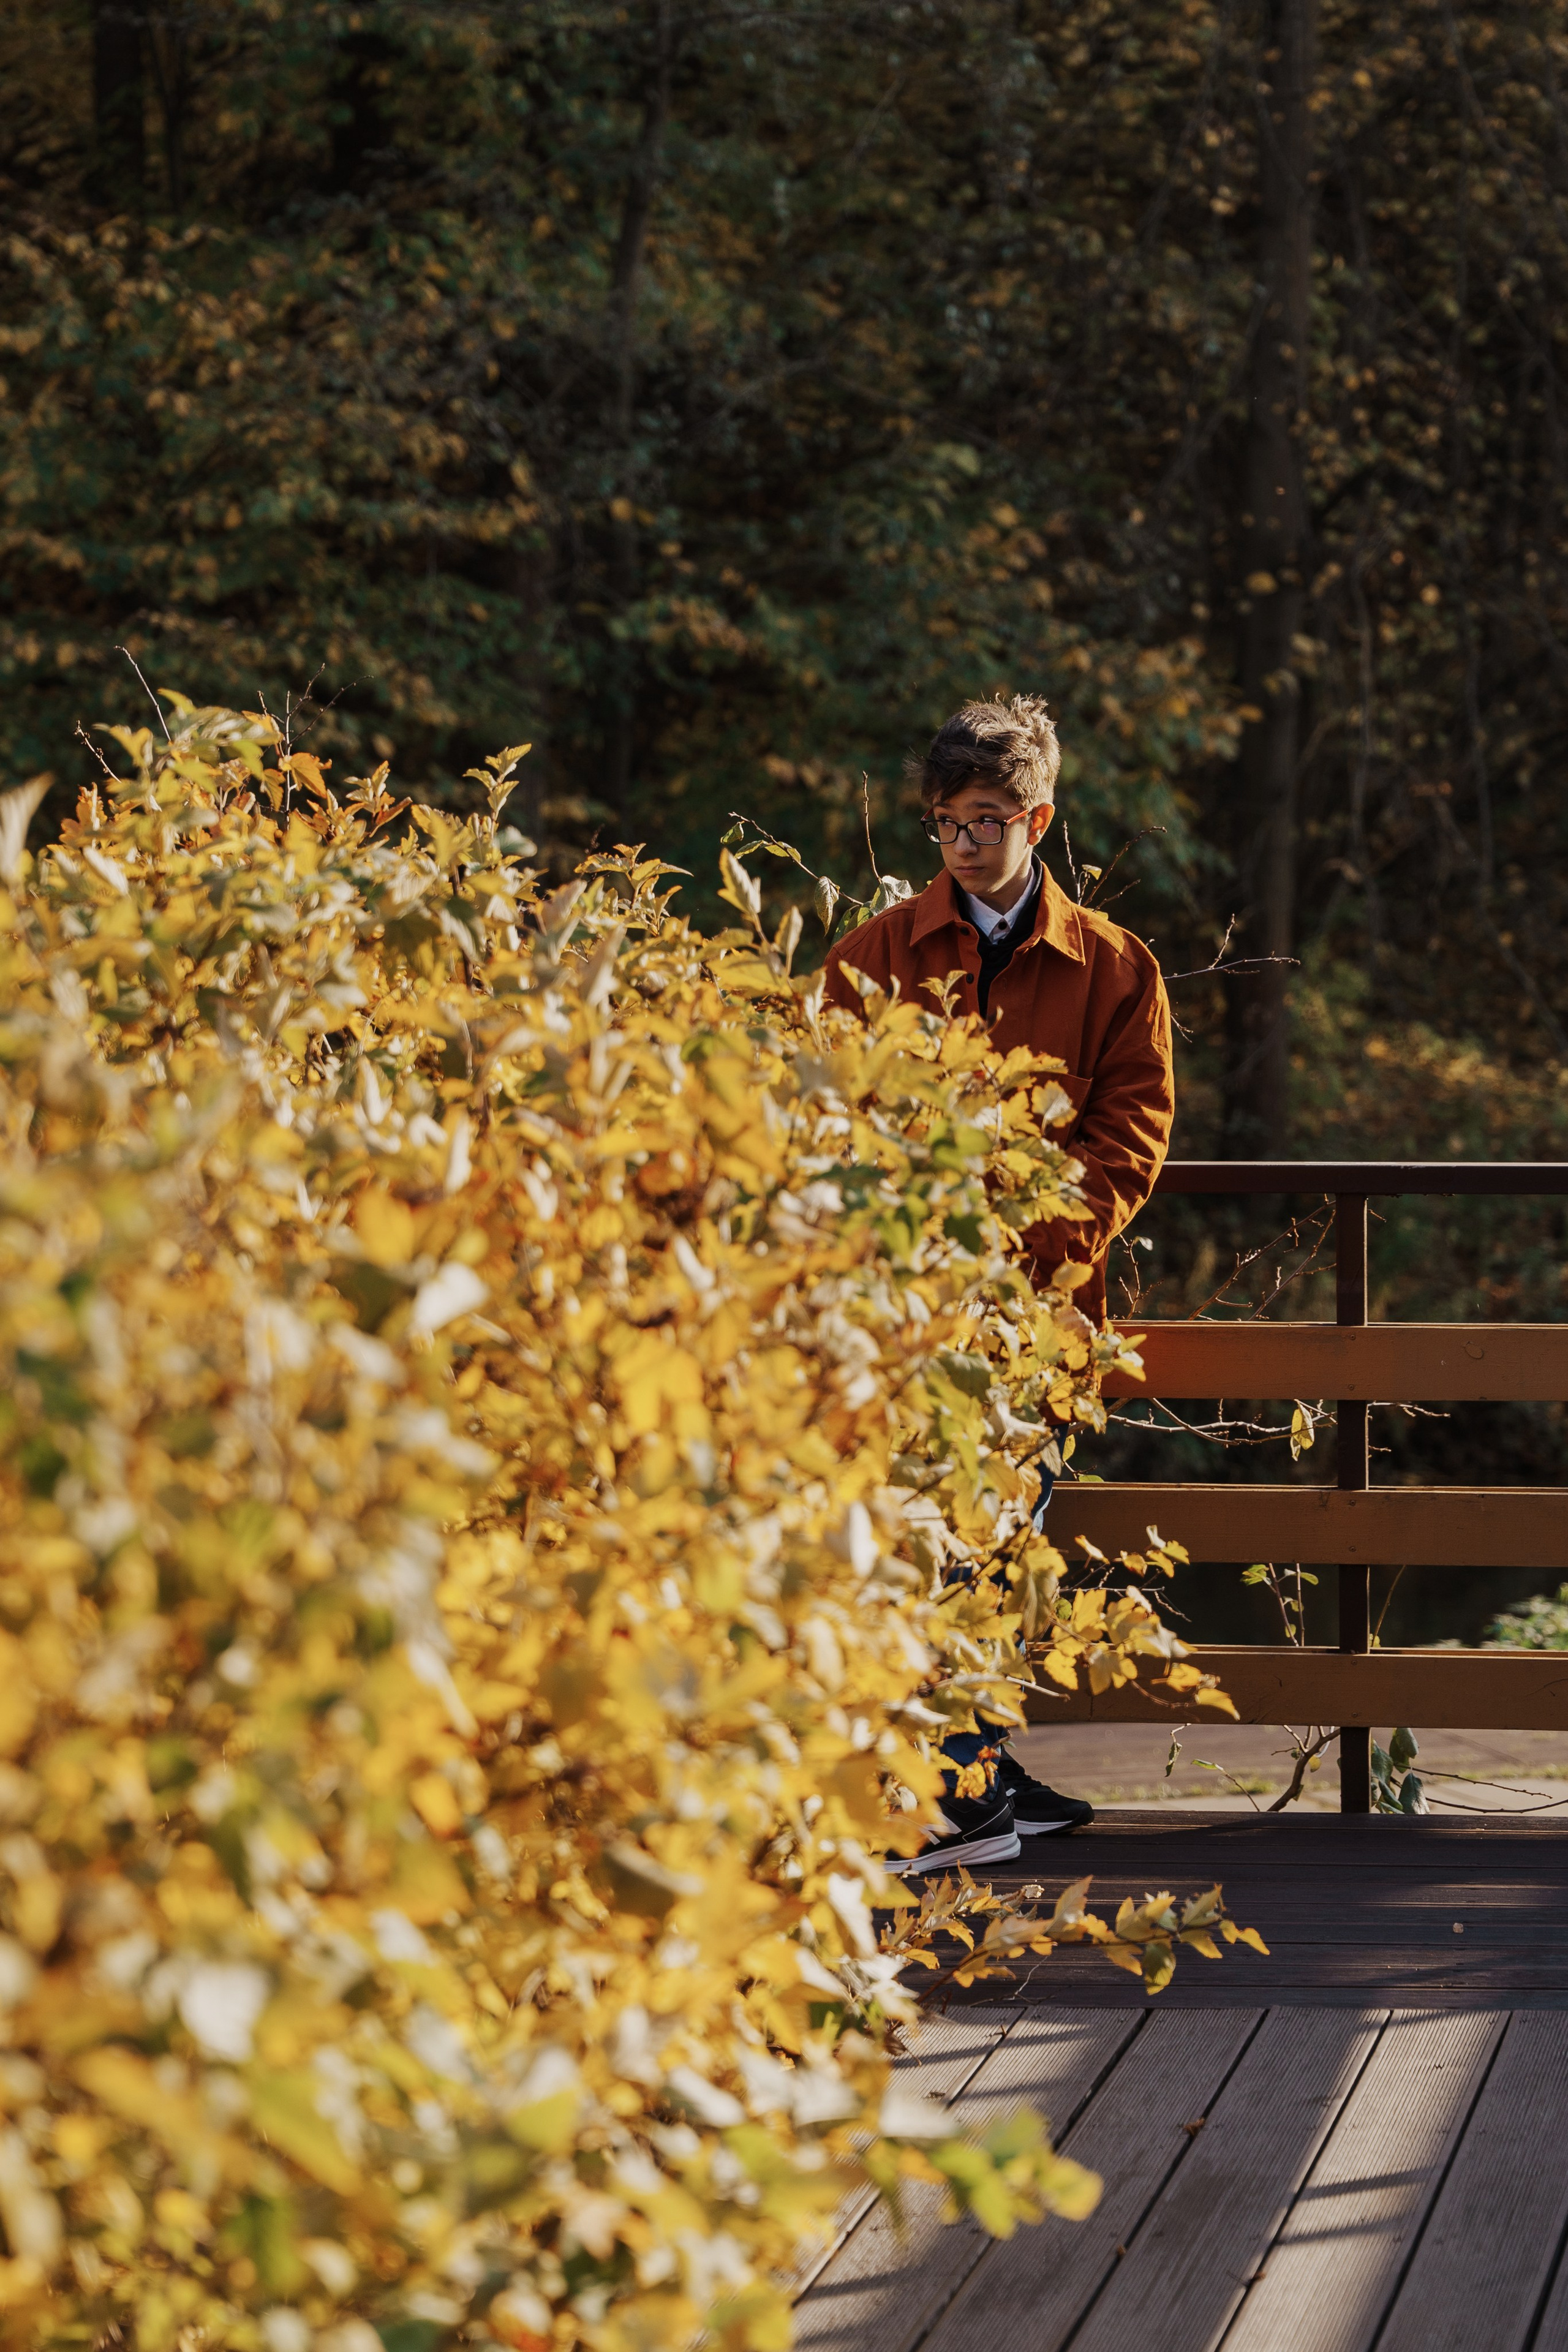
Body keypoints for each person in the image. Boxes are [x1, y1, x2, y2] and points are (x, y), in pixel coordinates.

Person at [823, 694, 1175, 1874]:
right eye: (943, 823)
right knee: (924, 1542)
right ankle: (964, 1785)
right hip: (904, 1320)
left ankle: (966, 1778)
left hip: (1039, 1315)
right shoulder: (873, 955)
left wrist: (1023, 1232)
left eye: (982, 820)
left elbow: (1135, 1132)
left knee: (996, 1543)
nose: (961, 844)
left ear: (1038, 816)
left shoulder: (1116, 966)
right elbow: (830, 1119)